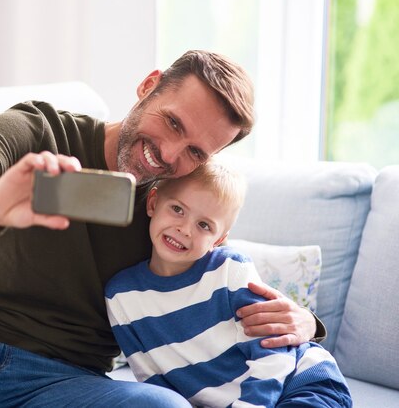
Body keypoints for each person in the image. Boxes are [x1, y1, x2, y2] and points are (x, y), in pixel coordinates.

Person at [0, 50, 325, 407]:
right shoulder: (39, 129)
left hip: (62, 381)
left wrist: (303, 325)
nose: (168, 155)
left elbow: (220, 280)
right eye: (172, 123)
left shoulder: (171, 206)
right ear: (147, 86)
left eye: (195, 151)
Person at [105, 159, 352, 407]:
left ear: (219, 238)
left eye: (204, 225)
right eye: (177, 209)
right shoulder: (120, 295)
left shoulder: (229, 269)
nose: (185, 229)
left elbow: (273, 351)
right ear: (153, 202)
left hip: (300, 380)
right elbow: (150, 378)